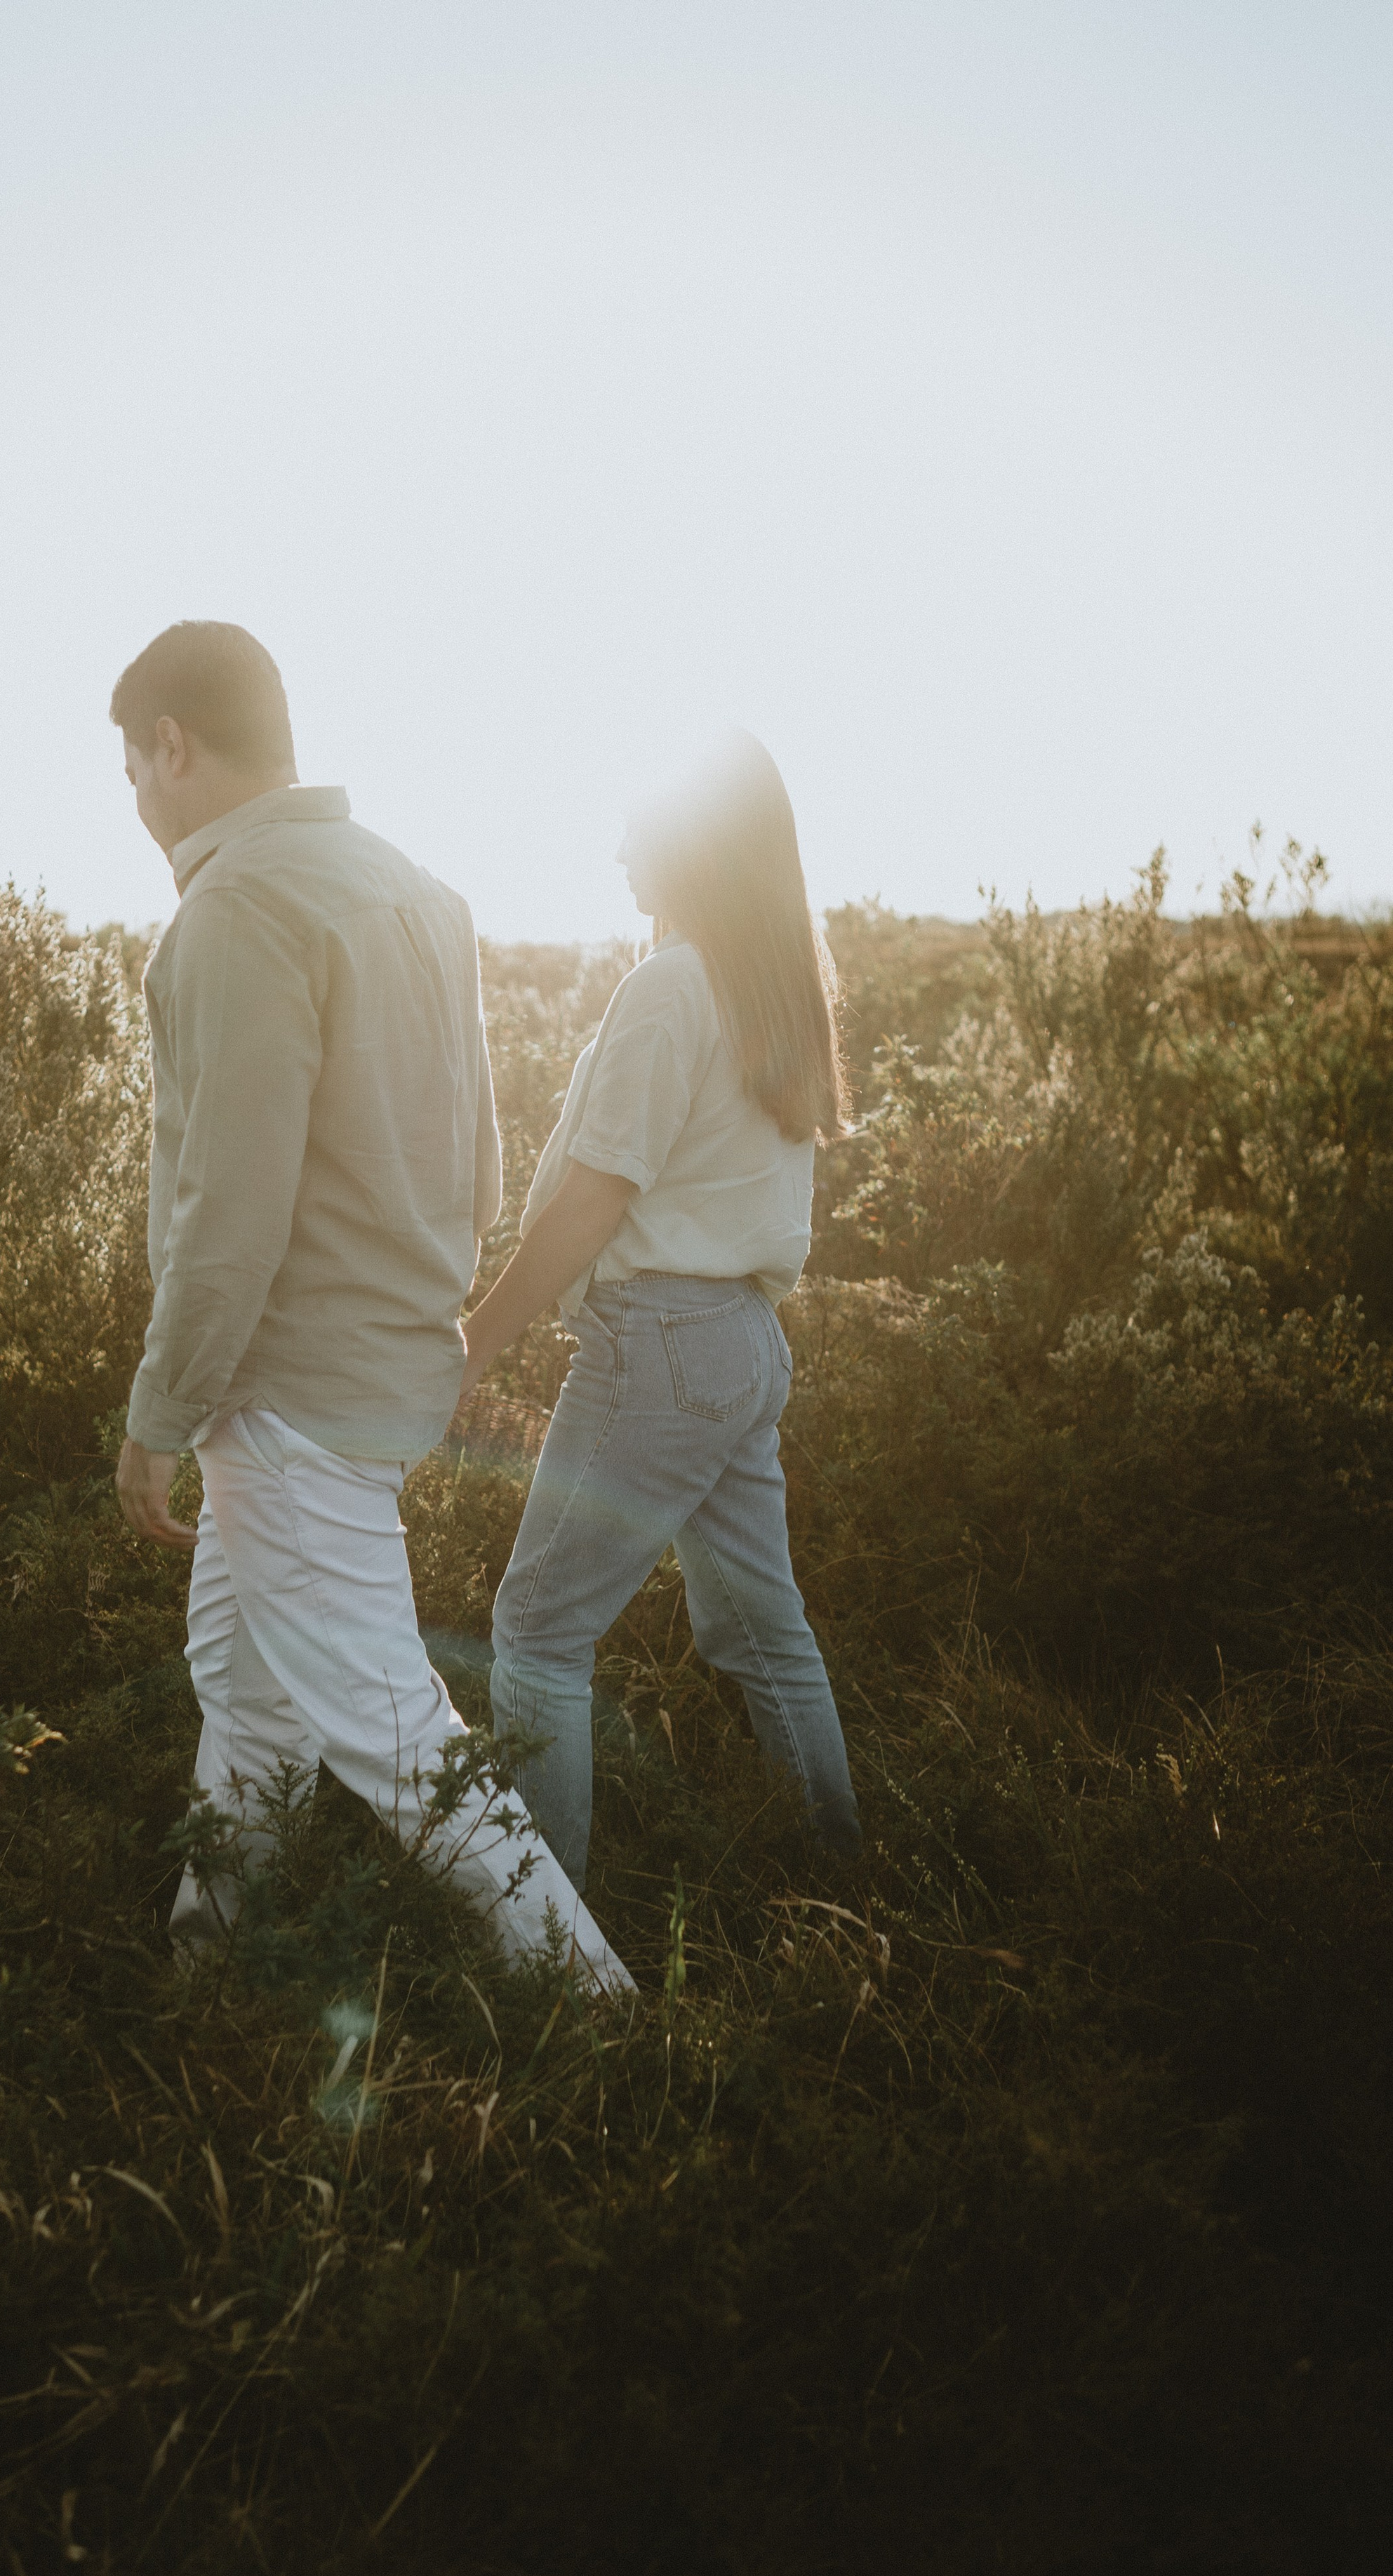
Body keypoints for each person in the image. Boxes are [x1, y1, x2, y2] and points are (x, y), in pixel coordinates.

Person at [108, 619, 634, 1995]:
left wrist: (158, 1414)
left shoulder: (234, 915)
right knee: (247, 1692)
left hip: (284, 1396)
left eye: (131, 764)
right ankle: (204, 1971)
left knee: (388, 1731)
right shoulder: (417, 891)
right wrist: (432, 1313)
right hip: (381, 1370)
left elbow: (227, 1212)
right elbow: (486, 1157)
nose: (135, 798)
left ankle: (608, 2019)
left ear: (173, 743)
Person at [457, 731, 862, 1893]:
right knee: (760, 1630)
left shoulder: (671, 985)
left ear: (694, 840)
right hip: (741, 1347)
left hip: (665, 1350)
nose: (620, 842)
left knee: (537, 1629)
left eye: (639, 820)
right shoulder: (770, 982)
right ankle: (845, 1885)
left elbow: (593, 1202)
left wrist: (472, 1349)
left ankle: (551, 1954)